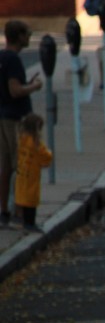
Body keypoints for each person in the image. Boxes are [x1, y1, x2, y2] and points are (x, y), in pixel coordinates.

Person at [0, 20, 42, 228]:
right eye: (27, 34)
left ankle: (3, 212)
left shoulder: (2, 57)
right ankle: (20, 212)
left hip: (2, 115)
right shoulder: (14, 60)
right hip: (16, 118)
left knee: (5, 166)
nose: (29, 38)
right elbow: (15, 90)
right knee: (22, 165)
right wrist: (34, 87)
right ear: (19, 36)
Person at [13, 113, 51, 233]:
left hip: (22, 174)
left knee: (23, 198)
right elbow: (46, 157)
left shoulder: (21, 139)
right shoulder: (36, 144)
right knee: (31, 200)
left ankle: (24, 220)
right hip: (32, 176)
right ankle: (30, 223)